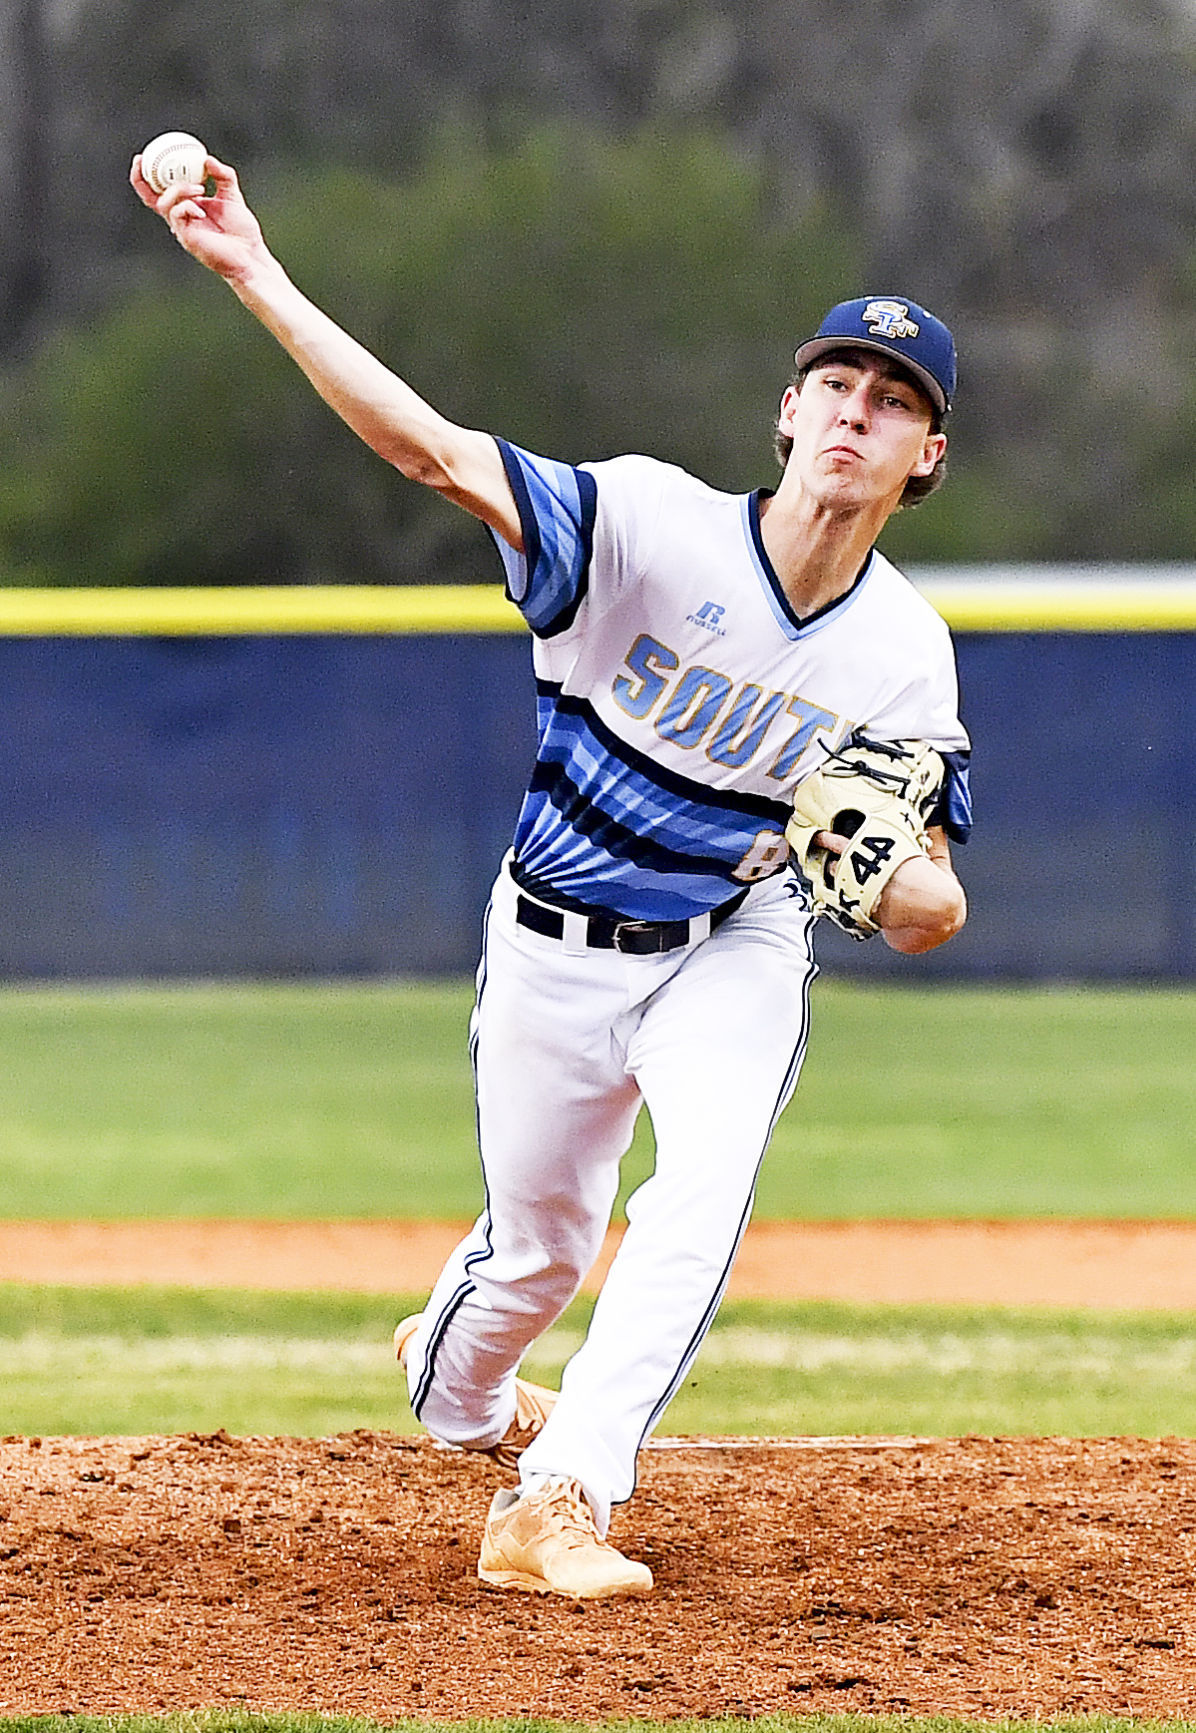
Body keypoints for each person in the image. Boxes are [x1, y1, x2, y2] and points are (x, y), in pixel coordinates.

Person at [133, 152, 971, 1601]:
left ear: (927, 457)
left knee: (702, 1185)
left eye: (894, 401)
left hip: (733, 934)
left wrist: (904, 884)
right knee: (538, 1251)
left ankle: (561, 1491)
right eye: (837, 383)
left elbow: (931, 893)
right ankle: (456, 1373)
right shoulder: (646, 526)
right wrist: (251, 271)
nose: (858, 411)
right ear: (788, 409)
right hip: (554, 941)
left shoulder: (903, 653)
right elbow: (437, 455)